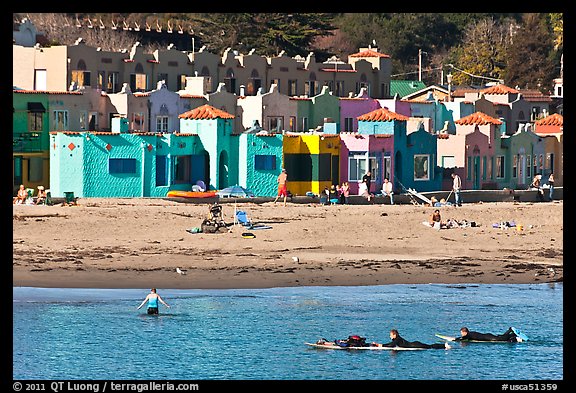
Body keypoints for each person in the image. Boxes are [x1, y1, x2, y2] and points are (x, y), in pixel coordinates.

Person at [373, 329, 448, 349]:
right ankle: (443, 346)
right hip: (414, 344)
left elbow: (392, 345)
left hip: (416, 345)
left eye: (391, 335)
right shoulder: (397, 339)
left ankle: (444, 346)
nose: (390, 336)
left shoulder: (397, 339)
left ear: (394, 334)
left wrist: (381, 345)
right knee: (430, 346)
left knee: (430, 347)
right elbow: (392, 344)